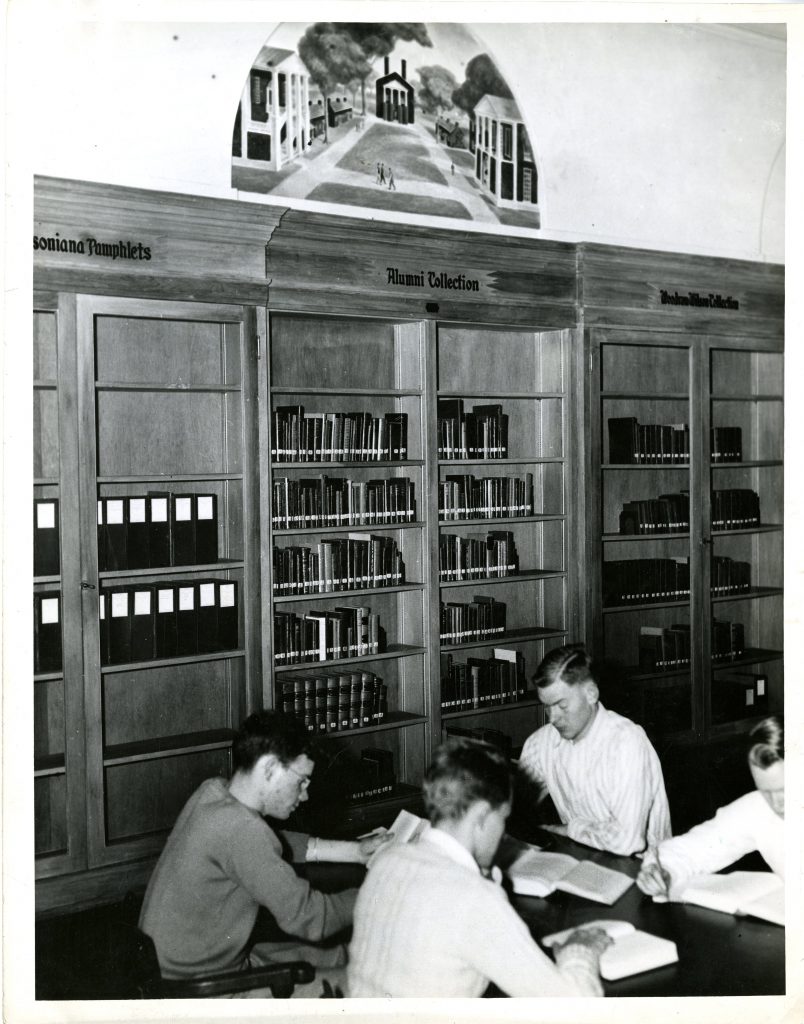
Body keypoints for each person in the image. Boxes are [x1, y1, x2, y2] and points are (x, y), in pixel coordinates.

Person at [139, 711, 387, 993]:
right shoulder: (243, 831)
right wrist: (379, 892)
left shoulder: (213, 792)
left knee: (342, 954)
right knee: (373, 983)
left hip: (185, 970)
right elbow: (312, 919)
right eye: (302, 781)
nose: (304, 794)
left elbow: (266, 844)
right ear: (269, 768)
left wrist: (355, 851)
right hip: (206, 992)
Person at [347, 737, 611, 997]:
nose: (503, 834)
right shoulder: (475, 899)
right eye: (503, 819)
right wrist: (579, 952)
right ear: (482, 816)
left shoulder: (387, 862)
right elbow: (575, 1007)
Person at [518, 644, 671, 856]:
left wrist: (570, 829)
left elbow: (628, 842)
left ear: (591, 694)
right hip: (583, 858)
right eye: (546, 706)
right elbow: (512, 808)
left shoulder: (627, 742)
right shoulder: (541, 743)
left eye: (562, 706)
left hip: (642, 868)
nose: (552, 718)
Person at [637, 715, 784, 897]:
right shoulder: (759, 808)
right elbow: (693, 849)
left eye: (786, 790)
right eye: (766, 791)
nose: (777, 804)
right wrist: (662, 871)